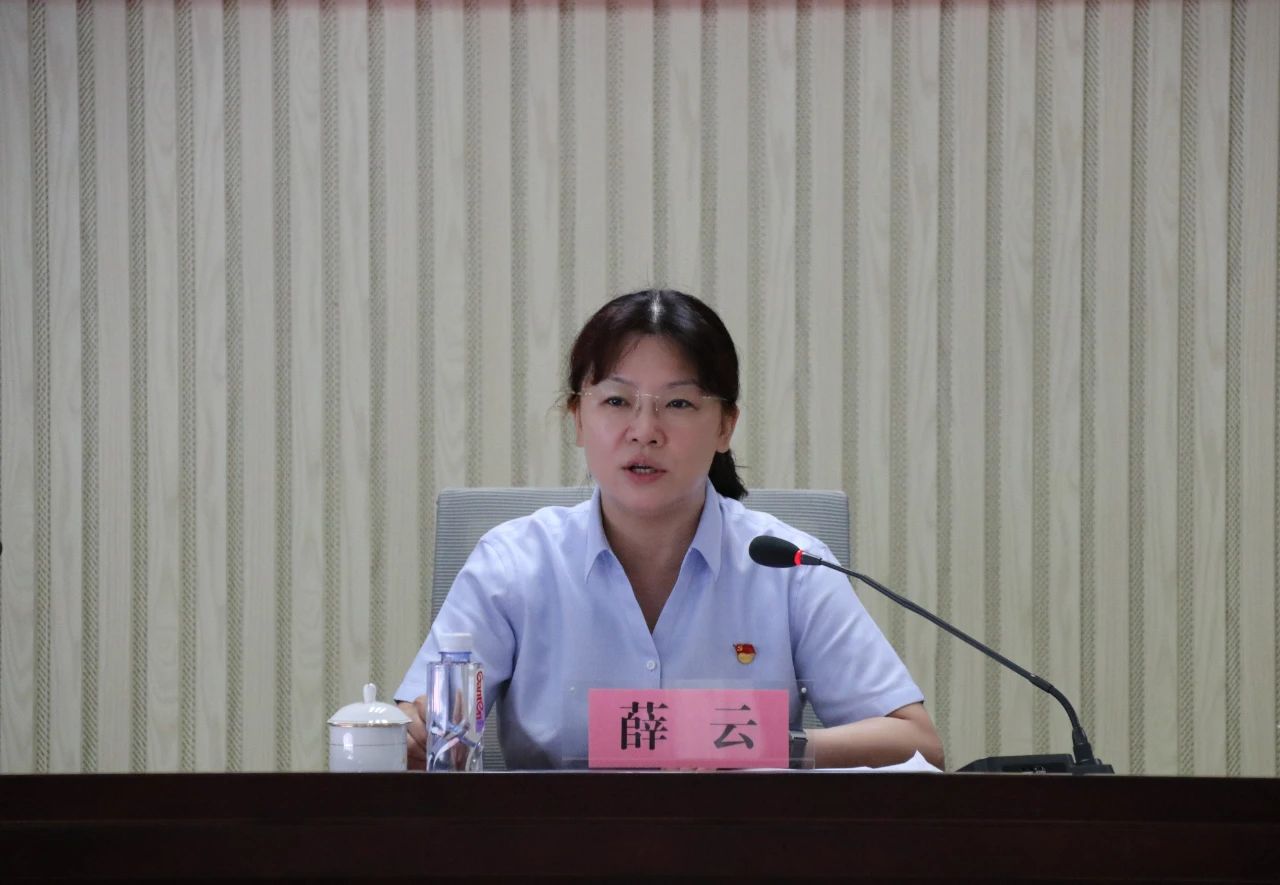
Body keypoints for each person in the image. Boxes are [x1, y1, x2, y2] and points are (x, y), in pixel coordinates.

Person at [396, 289, 943, 770]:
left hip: (739, 844)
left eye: (679, 403)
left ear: (725, 425)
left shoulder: (790, 566)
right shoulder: (513, 564)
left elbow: (916, 744)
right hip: (557, 847)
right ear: (578, 418)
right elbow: (416, 731)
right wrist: (412, 734)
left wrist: (772, 748)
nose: (645, 431)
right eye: (617, 401)